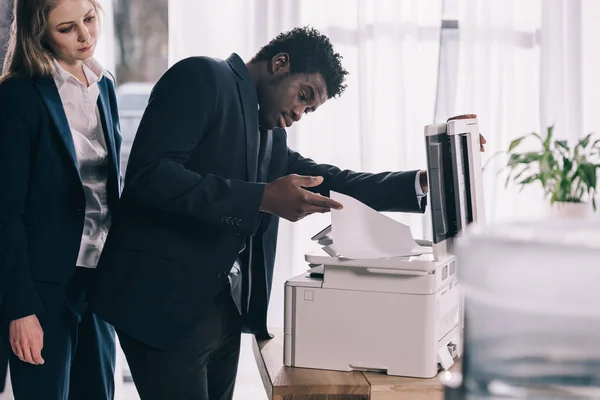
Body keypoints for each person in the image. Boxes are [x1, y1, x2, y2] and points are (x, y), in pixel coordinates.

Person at [91, 26, 485, 400]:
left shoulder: (269, 132)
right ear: (280, 64)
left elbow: (328, 180)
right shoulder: (203, 76)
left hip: (223, 311)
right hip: (166, 308)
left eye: (309, 109)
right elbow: (150, 176)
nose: (299, 112)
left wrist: (421, 180)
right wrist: (260, 197)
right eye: (304, 95)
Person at [0, 0, 122, 398]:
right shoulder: (18, 95)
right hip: (43, 287)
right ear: (40, 33)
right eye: (66, 28)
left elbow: (109, 187)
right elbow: (6, 212)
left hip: (99, 279)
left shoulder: (105, 84)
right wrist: (20, 309)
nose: (85, 35)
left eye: (89, 19)